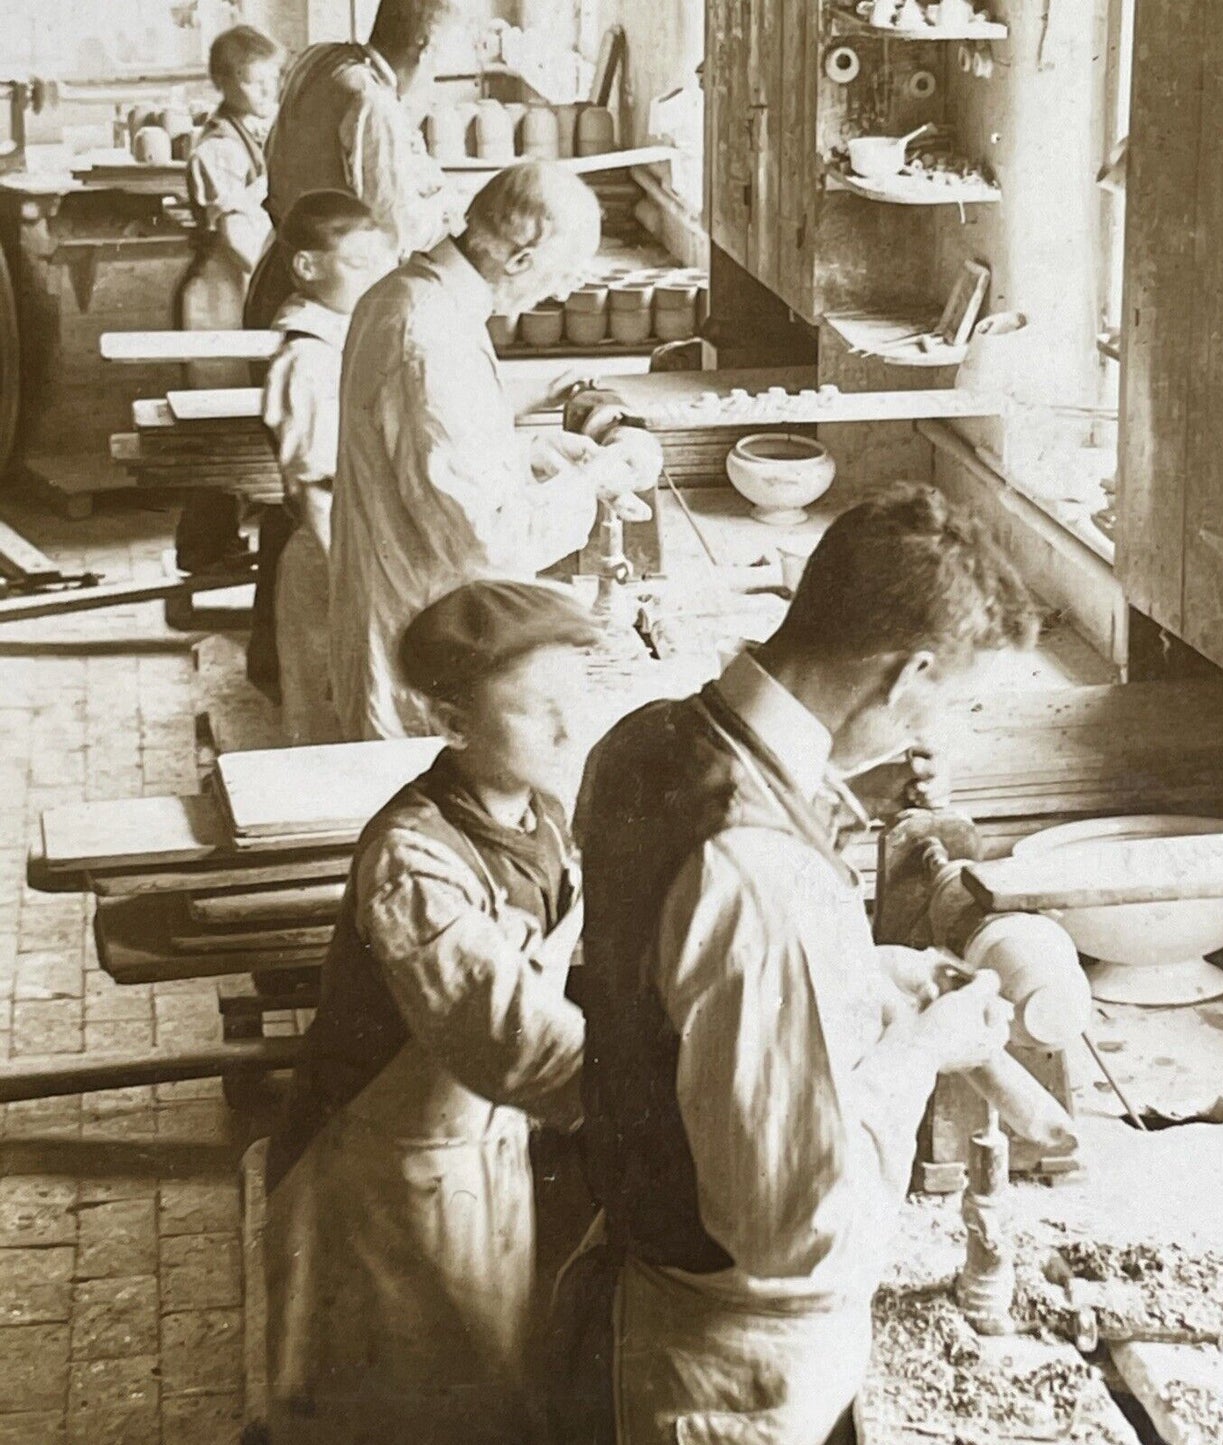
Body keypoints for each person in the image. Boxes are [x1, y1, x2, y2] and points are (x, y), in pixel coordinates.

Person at [558, 484, 1037, 1445]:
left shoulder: (648, 737)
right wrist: (920, 1048)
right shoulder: (761, 870)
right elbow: (792, 1222)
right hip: (727, 1367)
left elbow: (694, 1000)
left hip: (648, 1289)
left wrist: (865, 978)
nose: (930, 733)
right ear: (909, 674)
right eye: (946, 698)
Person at [265, 578, 601, 1445]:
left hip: (477, 1143)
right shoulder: (415, 866)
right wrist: (674, 1092)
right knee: (401, 1400)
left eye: (577, 698)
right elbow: (516, 1044)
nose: (570, 728)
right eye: (536, 710)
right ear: (453, 723)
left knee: (486, 1374)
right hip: (385, 1168)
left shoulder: (540, 813)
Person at [329, 160, 659, 741]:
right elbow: (488, 538)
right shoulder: (432, 336)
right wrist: (594, 480)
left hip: (406, 600)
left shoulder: (406, 293)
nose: (563, 292)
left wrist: (526, 452)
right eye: (564, 275)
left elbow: (417, 453)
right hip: (422, 627)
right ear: (519, 260)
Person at [258, 191, 394, 742]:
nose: (377, 277)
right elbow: (316, 489)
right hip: (327, 560)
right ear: (308, 267)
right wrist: (353, 588)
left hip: (355, 549)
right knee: (326, 720)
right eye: (359, 264)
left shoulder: (343, 334)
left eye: (383, 263)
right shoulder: (307, 360)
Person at [245, 0, 464, 328]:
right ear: (426, 49)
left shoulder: (319, 58)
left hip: (280, 270)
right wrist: (450, 213)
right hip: (329, 293)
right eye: (441, 59)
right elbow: (398, 228)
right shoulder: (372, 101)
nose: (435, 76)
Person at [173, 23, 284, 573]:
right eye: (254, 82)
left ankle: (219, 539)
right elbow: (239, 240)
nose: (267, 91)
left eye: (272, 80)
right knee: (217, 422)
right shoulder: (217, 148)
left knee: (245, 416)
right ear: (224, 82)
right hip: (220, 292)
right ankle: (201, 545)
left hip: (246, 287)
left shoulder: (257, 132)